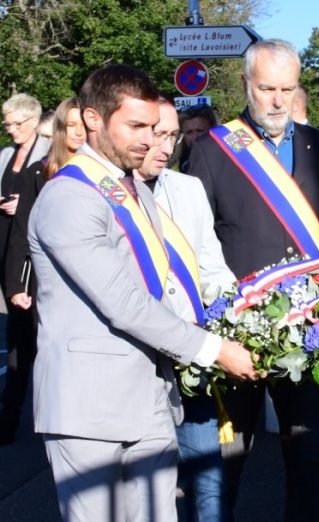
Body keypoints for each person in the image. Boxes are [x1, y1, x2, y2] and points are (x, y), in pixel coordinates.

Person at [28, 63, 256, 522]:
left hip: (151, 395)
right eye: (135, 126)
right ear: (93, 119)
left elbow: (166, 287)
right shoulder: (69, 197)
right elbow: (124, 302)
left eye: (153, 127)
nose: (151, 140)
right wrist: (216, 349)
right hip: (88, 408)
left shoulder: (131, 189)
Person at [188, 39, 319, 522]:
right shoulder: (214, 150)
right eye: (266, 88)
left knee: (309, 454)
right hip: (239, 334)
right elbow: (197, 244)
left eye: (287, 87)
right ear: (245, 85)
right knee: (228, 457)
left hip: (308, 329)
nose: (278, 100)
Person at [133, 93, 234, 522]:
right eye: (157, 134)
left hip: (193, 359)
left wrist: (235, 313)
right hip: (137, 366)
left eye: (173, 136)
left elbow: (212, 266)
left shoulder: (189, 188)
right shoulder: (106, 193)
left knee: (207, 478)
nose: (166, 146)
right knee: (147, 495)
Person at [0, 97, 85, 446]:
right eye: (72, 126)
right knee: (21, 347)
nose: (79, 133)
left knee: (69, 351)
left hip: (81, 280)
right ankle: (9, 417)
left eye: (85, 126)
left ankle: (73, 420)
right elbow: (23, 231)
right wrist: (17, 284)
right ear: (61, 130)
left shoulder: (107, 172)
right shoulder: (41, 170)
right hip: (36, 273)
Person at [0, 93, 50, 445]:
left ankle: (22, 415)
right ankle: (11, 413)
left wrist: (27, 204)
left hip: (33, 259)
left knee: (35, 339)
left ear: (33, 121)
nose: (11, 129)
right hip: (6, 250)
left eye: (17, 123)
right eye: (7, 123)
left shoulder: (48, 155)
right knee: (17, 337)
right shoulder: (4, 156)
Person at [176, 104, 220, 173]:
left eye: (200, 130)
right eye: (189, 132)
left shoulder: (224, 160)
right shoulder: (184, 160)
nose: (195, 137)